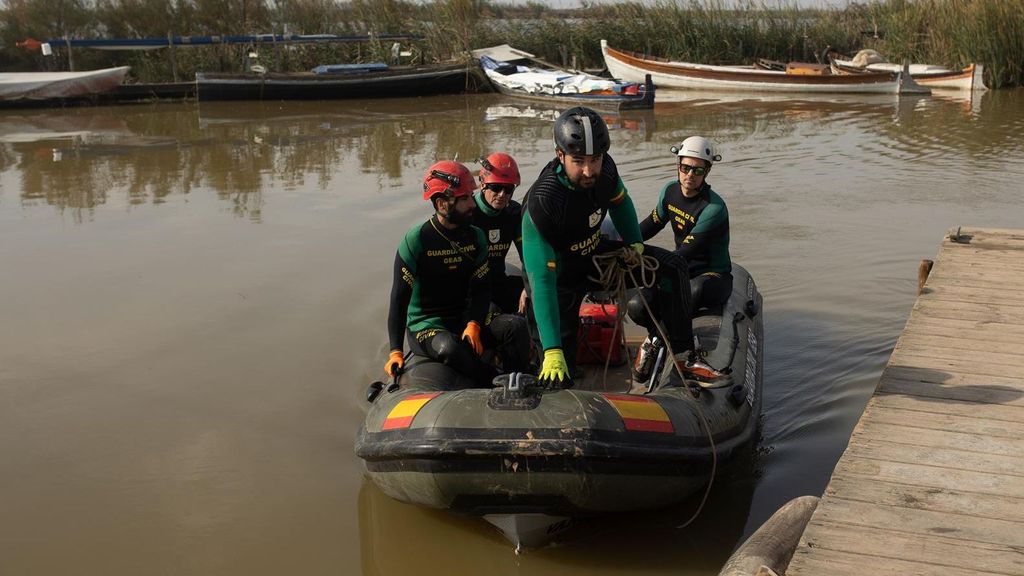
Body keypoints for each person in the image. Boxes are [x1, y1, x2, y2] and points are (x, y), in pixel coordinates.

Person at [521, 106, 717, 388]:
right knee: (559, 368)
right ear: (559, 155)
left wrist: (635, 244)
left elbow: (620, 203)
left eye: (595, 159)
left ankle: (685, 356)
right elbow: (541, 282)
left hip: (593, 253)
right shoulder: (544, 203)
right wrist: (552, 349)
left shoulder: (606, 171)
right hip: (556, 273)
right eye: (578, 160)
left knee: (673, 267)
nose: (589, 170)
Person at [383, 160, 499, 386]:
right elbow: (399, 299)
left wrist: (474, 323)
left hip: (463, 319)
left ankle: (527, 379)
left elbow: (482, 288)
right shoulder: (416, 241)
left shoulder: (476, 237)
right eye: (464, 198)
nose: (472, 204)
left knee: (512, 328)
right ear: (442, 204)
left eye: (470, 196)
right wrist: (395, 351)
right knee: (450, 347)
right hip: (426, 326)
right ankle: (494, 383)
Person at [628, 136, 732, 381]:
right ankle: (656, 336)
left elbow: (684, 254)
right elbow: (651, 224)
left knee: (692, 290)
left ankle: (657, 344)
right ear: (678, 165)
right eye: (685, 168)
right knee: (636, 307)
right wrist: (625, 245)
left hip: (711, 275)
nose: (690, 175)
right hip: (678, 270)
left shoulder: (713, 209)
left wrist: (646, 262)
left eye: (697, 170)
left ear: (707, 171)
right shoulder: (669, 191)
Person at [473, 152, 527, 315]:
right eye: (496, 187)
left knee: (537, 293)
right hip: (471, 290)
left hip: (498, 281)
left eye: (508, 188)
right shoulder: (468, 213)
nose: (502, 194)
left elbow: (528, 255)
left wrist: (528, 288)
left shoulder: (514, 213)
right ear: (482, 184)